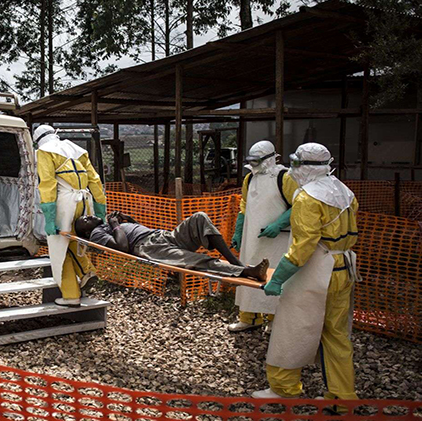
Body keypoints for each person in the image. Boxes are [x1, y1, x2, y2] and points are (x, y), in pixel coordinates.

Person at [253, 143, 359, 406]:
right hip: (343, 268)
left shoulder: (307, 197)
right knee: (336, 335)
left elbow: (303, 247)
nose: (292, 169)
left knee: (292, 329)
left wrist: (277, 279)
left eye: (296, 163)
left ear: (304, 166)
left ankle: (284, 388)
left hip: (314, 271)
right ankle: (343, 397)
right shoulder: (345, 192)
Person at [228, 141, 298, 333]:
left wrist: (279, 224)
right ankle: (249, 318)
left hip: (278, 241)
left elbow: (299, 204)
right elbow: (244, 205)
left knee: (275, 276)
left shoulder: (285, 177)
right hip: (252, 240)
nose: (254, 164)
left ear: (269, 158)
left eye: (258, 160)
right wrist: (239, 231)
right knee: (249, 274)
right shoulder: (249, 178)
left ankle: (276, 320)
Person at [74, 212, 269, 280]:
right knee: (196, 261)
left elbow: (134, 230)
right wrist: (115, 224)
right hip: (149, 247)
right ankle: (245, 272)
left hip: (162, 236)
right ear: (85, 232)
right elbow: (122, 247)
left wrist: (127, 220)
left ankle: (235, 261)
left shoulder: (106, 225)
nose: (88, 216)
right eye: (84, 220)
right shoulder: (97, 234)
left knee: (199, 218)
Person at [34, 125, 106, 307]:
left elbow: (48, 184)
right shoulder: (77, 150)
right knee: (75, 241)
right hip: (84, 201)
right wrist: (100, 211)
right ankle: (86, 271)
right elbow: (95, 180)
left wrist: (49, 218)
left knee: (60, 251)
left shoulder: (44, 152)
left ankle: (71, 295)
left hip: (64, 204)